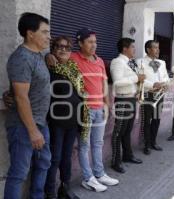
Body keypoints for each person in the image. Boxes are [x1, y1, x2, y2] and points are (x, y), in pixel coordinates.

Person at [46, 28, 119, 191]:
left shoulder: (99, 61)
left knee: (98, 143)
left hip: (99, 108)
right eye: (90, 42)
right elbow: (56, 56)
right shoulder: (73, 58)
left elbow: (103, 84)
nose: (94, 45)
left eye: (95, 41)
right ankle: (88, 178)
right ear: (80, 43)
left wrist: (107, 104)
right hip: (84, 112)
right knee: (84, 146)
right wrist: (48, 55)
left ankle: (99, 173)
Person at [4, 12, 52, 199]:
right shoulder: (21, 58)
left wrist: (50, 56)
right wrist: (33, 131)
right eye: (45, 32)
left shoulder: (38, 55)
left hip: (40, 122)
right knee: (19, 173)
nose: (49, 36)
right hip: (24, 126)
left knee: (43, 164)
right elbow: (21, 97)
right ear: (30, 34)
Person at [44, 36, 82, 198]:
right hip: (56, 121)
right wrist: (46, 56)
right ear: (52, 49)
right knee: (55, 158)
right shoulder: (49, 68)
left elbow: (81, 94)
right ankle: (50, 192)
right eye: (59, 46)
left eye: (67, 47)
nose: (63, 50)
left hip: (73, 121)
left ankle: (65, 189)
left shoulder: (74, 69)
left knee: (67, 157)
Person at [110, 38, 144, 173]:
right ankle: (115, 161)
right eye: (132, 47)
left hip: (131, 99)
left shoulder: (131, 63)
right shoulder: (117, 62)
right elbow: (117, 82)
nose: (134, 50)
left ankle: (127, 156)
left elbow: (135, 81)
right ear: (125, 48)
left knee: (127, 130)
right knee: (118, 132)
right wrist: (137, 78)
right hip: (122, 100)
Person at [136, 40, 170, 155]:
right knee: (146, 120)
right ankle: (146, 144)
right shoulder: (140, 61)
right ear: (148, 49)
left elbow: (166, 77)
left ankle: (153, 142)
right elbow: (139, 79)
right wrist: (153, 85)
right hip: (148, 94)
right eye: (155, 48)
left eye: (158, 47)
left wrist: (164, 83)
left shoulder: (162, 62)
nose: (158, 50)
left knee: (156, 119)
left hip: (159, 94)